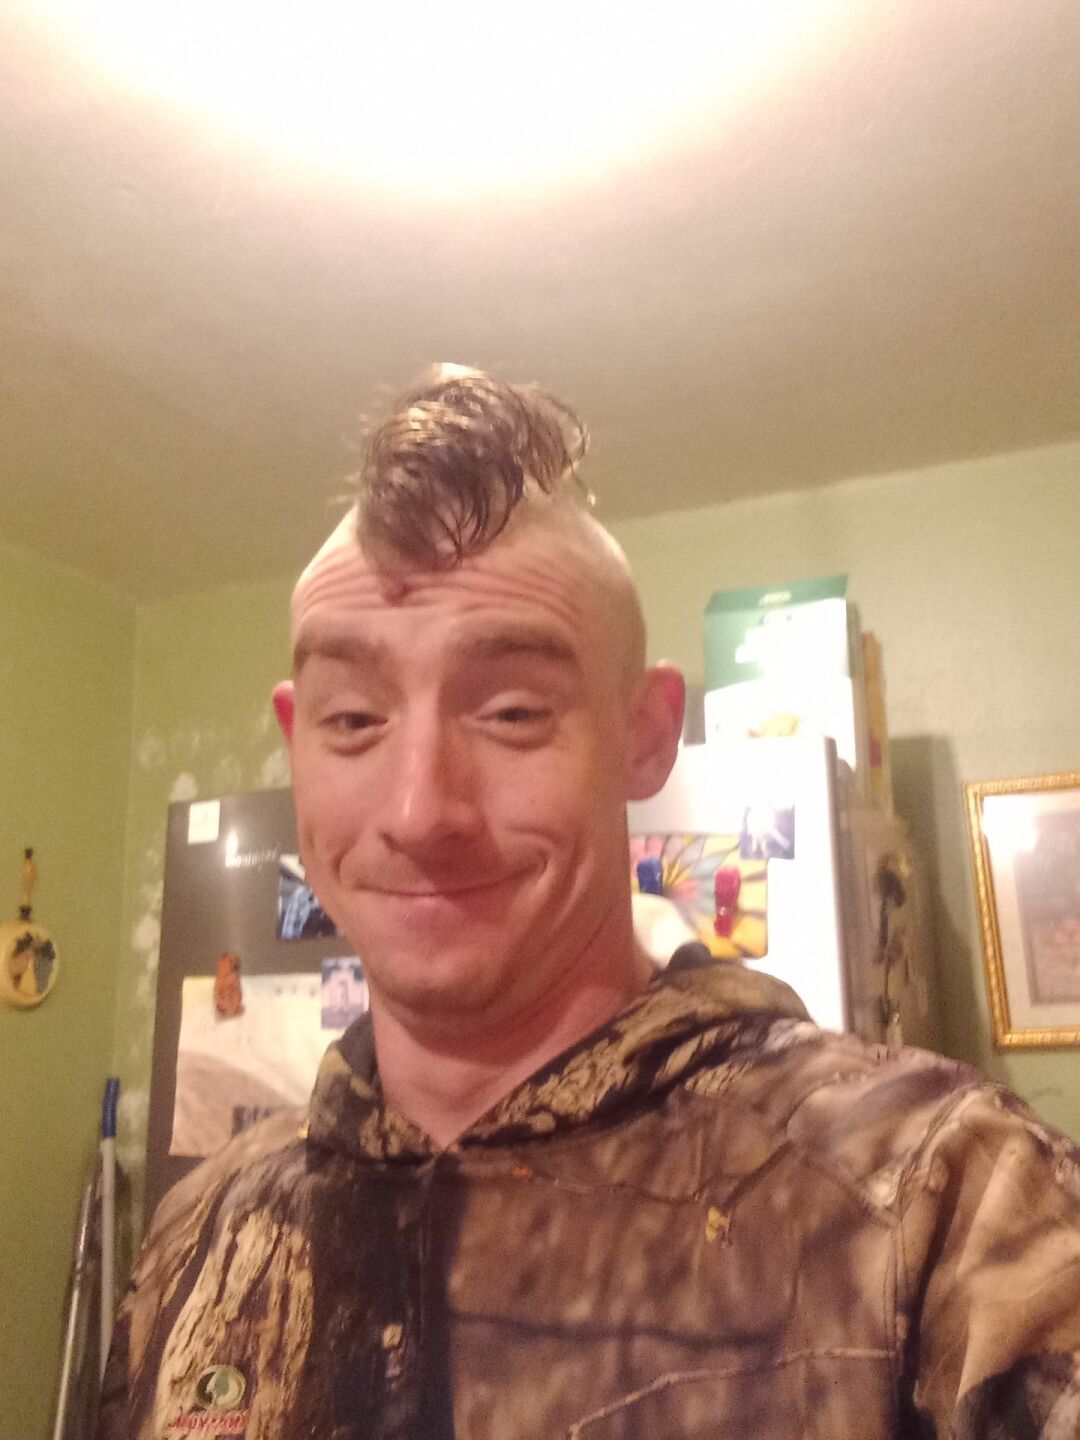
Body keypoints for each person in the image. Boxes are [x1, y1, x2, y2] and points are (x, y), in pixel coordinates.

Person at [98, 366, 1080, 1440]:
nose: (420, 811)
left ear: (645, 735)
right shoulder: (198, 1236)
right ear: (298, 742)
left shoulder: (941, 1198)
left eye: (513, 713)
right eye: (354, 721)